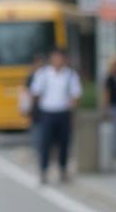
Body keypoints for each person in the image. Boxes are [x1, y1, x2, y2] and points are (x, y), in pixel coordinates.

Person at [29, 47, 81, 184]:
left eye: (60, 58)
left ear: (64, 59)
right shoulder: (43, 74)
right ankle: (43, 171)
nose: (57, 60)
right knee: (45, 143)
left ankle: (63, 170)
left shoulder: (70, 75)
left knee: (64, 143)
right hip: (47, 113)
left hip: (63, 112)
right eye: (55, 57)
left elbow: (76, 95)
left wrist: (72, 109)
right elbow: (35, 93)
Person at [22, 53, 45, 151]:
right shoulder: (31, 77)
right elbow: (27, 93)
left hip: (46, 108)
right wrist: (28, 107)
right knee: (36, 129)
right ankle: (38, 149)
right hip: (35, 108)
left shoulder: (46, 75)